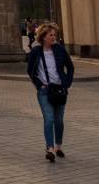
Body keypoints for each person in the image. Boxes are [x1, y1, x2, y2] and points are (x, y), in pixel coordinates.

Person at [27, 22, 74, 163]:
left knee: (59, 120)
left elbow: (70, 67)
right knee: (49, 119)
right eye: (50, 35)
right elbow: (30, 71)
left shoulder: (59, 50)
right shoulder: (35, 52)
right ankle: (49, 148)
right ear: (43, 37)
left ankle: (58, 146)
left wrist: (67, 83)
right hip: (45, 91)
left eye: (54, 35)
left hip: (60, 89)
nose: (54, 37)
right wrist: (39, 84)